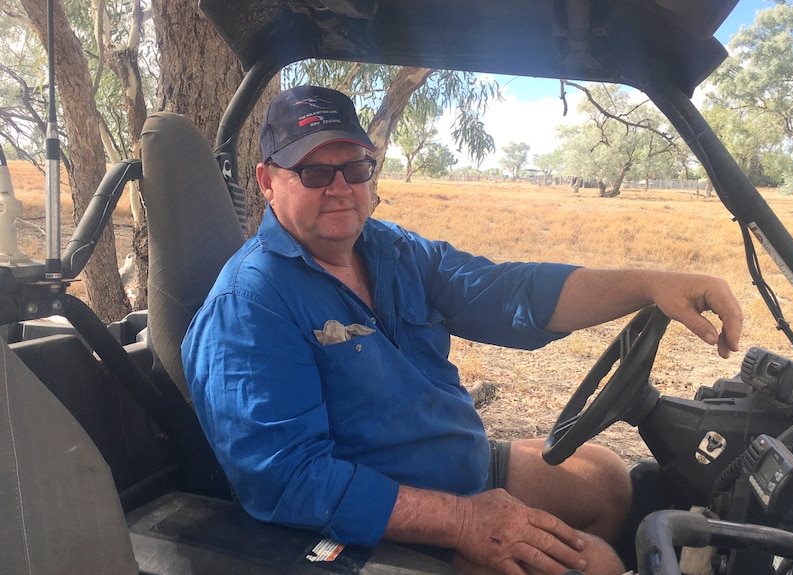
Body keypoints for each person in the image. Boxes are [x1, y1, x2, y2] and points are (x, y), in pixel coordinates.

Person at [181, 85, 743, 575]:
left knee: (607, 476)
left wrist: (650, 284)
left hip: (458, 465)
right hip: (384, 518)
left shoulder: (391, 250)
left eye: (355, 168)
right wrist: (462, 523)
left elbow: (508, 293)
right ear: (267, 181)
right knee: (598, 563)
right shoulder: (250, 305)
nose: (340, 187)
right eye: (313, 171)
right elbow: (288, 480)